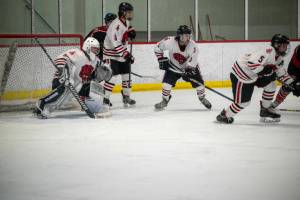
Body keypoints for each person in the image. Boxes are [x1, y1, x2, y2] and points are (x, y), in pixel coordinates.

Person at [216, 34, 298, 124]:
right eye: (284, 46)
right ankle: (224, 116)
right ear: (276, 45)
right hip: (242, 75)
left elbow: (281, 73)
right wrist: (265, 72)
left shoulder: (279, 58)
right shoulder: (268, 52)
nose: (286, 48)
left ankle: (265, 110)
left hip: (254, 75)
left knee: (271, 85)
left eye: (286, 46)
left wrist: (293, 84)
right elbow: (251, 64)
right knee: (243, 103)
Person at [34, 37, 112, 119]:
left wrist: (106, 69)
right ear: (87, 47)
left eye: (97, 50)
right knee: (65, 90)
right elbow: (60, 58)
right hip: (61, 80)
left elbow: (103, 68)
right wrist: (65, 74)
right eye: (94, 49)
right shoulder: (77, 53)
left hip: (77, 84)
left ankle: (98, 106)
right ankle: (42, 104)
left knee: (96, 88)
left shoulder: (95, 60)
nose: (96, 51)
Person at [153, 25, 212, 110]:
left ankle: (202, 97)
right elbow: (157, 48)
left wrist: (188, 70)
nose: (188, 38)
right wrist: (160, 59)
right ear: (179, 36)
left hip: (190, 68)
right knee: (166, 85)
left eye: (189, 35)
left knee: (200, 85)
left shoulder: (193, 45)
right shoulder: (169, 41)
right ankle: (165, 100)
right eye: (185, 35)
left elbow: (193, 60)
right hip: (173, 66)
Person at [102, 2, 137, 107]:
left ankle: (126, 97)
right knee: (112, 78)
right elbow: (115, 42)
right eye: (129, 12)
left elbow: (128, 29)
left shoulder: (125, 21)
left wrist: (131, 32)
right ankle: (105, 99)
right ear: (123, 12)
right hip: (111, 55)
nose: (131, 14)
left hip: (121, 54)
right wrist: (126, 54)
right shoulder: (115, 25)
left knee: (127, 77)